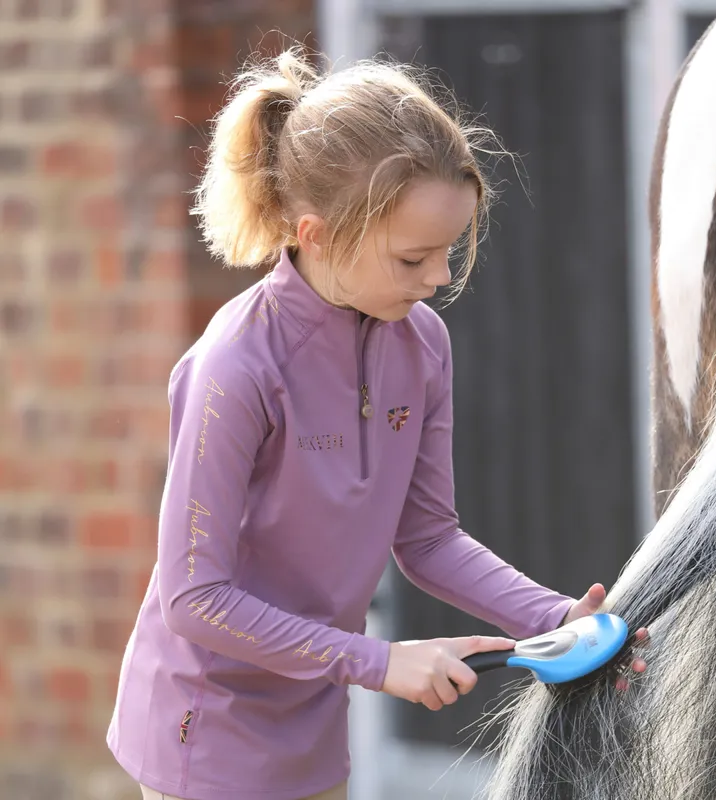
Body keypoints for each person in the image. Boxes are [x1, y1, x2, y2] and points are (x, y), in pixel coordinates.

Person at [106, 46, 647, 800]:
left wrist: (563, 621)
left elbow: (427, 538)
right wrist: (382, 661)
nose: (440, 278)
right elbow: (194, 599)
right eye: (413, 257)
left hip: (315, 724)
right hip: (205, 739)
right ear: (318, 233)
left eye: (450, 250)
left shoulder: (421, 343)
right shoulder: (234, 367)